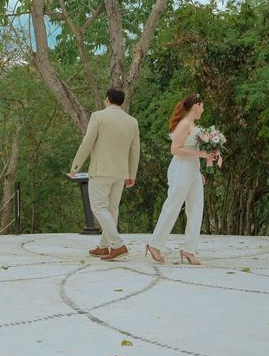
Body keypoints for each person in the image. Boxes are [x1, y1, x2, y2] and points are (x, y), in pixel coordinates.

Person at [70, 88, 140, 261]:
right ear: (121, 102)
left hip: (101, 171)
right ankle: (103, 246)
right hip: (121, 172)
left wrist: (76, 166)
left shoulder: (98, 116)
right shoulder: (132, 121)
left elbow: (87, 142)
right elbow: (135, 150)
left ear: (107, 99)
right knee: (112, 209)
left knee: (99, 208)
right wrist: (132, 174)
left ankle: (117, 245)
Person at [145, 93, 216, 265]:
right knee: (173, 206)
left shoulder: (194, 125)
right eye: (203, 105)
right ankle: (155, 244)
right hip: (181, 169)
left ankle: (189, 249)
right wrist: (201, 154)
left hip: (193, 170)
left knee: (197, 208)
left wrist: (198, 171)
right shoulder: (184, 125)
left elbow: (192, 150)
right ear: (196, 105)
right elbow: (175, 149)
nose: (204, 109)